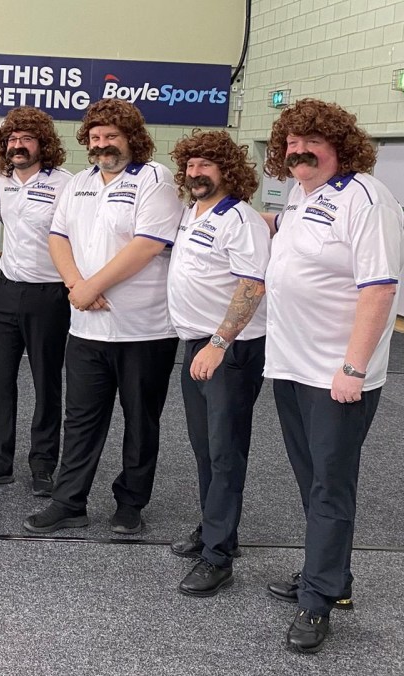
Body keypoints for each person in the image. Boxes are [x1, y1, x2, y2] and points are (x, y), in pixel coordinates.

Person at [261, 99, 403, 653]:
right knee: (310, 479)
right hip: (292, 365)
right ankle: (332, 575)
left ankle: (319, 600)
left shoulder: (368, 197)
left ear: (340, 144)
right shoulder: (303, 195)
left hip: (337, 375)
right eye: (291, 145)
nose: (299, 152)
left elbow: (380, 288)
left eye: (310, 142)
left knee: (329, 486)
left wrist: (353, 366)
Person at [24, 99, 182, 535]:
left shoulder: (155, 179)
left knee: (140, 420)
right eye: (94, 138)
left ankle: (131, 502)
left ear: (131, 137)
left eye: (111, 136)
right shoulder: (79, 183)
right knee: (81, 420)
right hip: (88, 328)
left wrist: (93, 286)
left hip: (143, 329)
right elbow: (57, 237)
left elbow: (148, 244)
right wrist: (76, 284)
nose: (102, 144)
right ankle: (69, 501)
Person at [165, 130, 270, 596]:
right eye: (190, 166)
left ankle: (219, 557)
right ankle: (214, 527)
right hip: (198, 345)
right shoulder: (193, 211)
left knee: (225, 450)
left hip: (229, 349)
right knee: (205, 447)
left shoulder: (240, 219)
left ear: (228, 169)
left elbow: (253, 284)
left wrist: (220, 341)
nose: (195, 174)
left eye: (206, 165)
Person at [0, 107, 72, 496]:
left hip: (50, 293)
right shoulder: (1, 180)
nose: (18, 146)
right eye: (12, 140)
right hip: (6, 288)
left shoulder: (65, 184)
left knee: (46, 381)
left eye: (26, 139)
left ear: (44, 144)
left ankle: (43, 465)